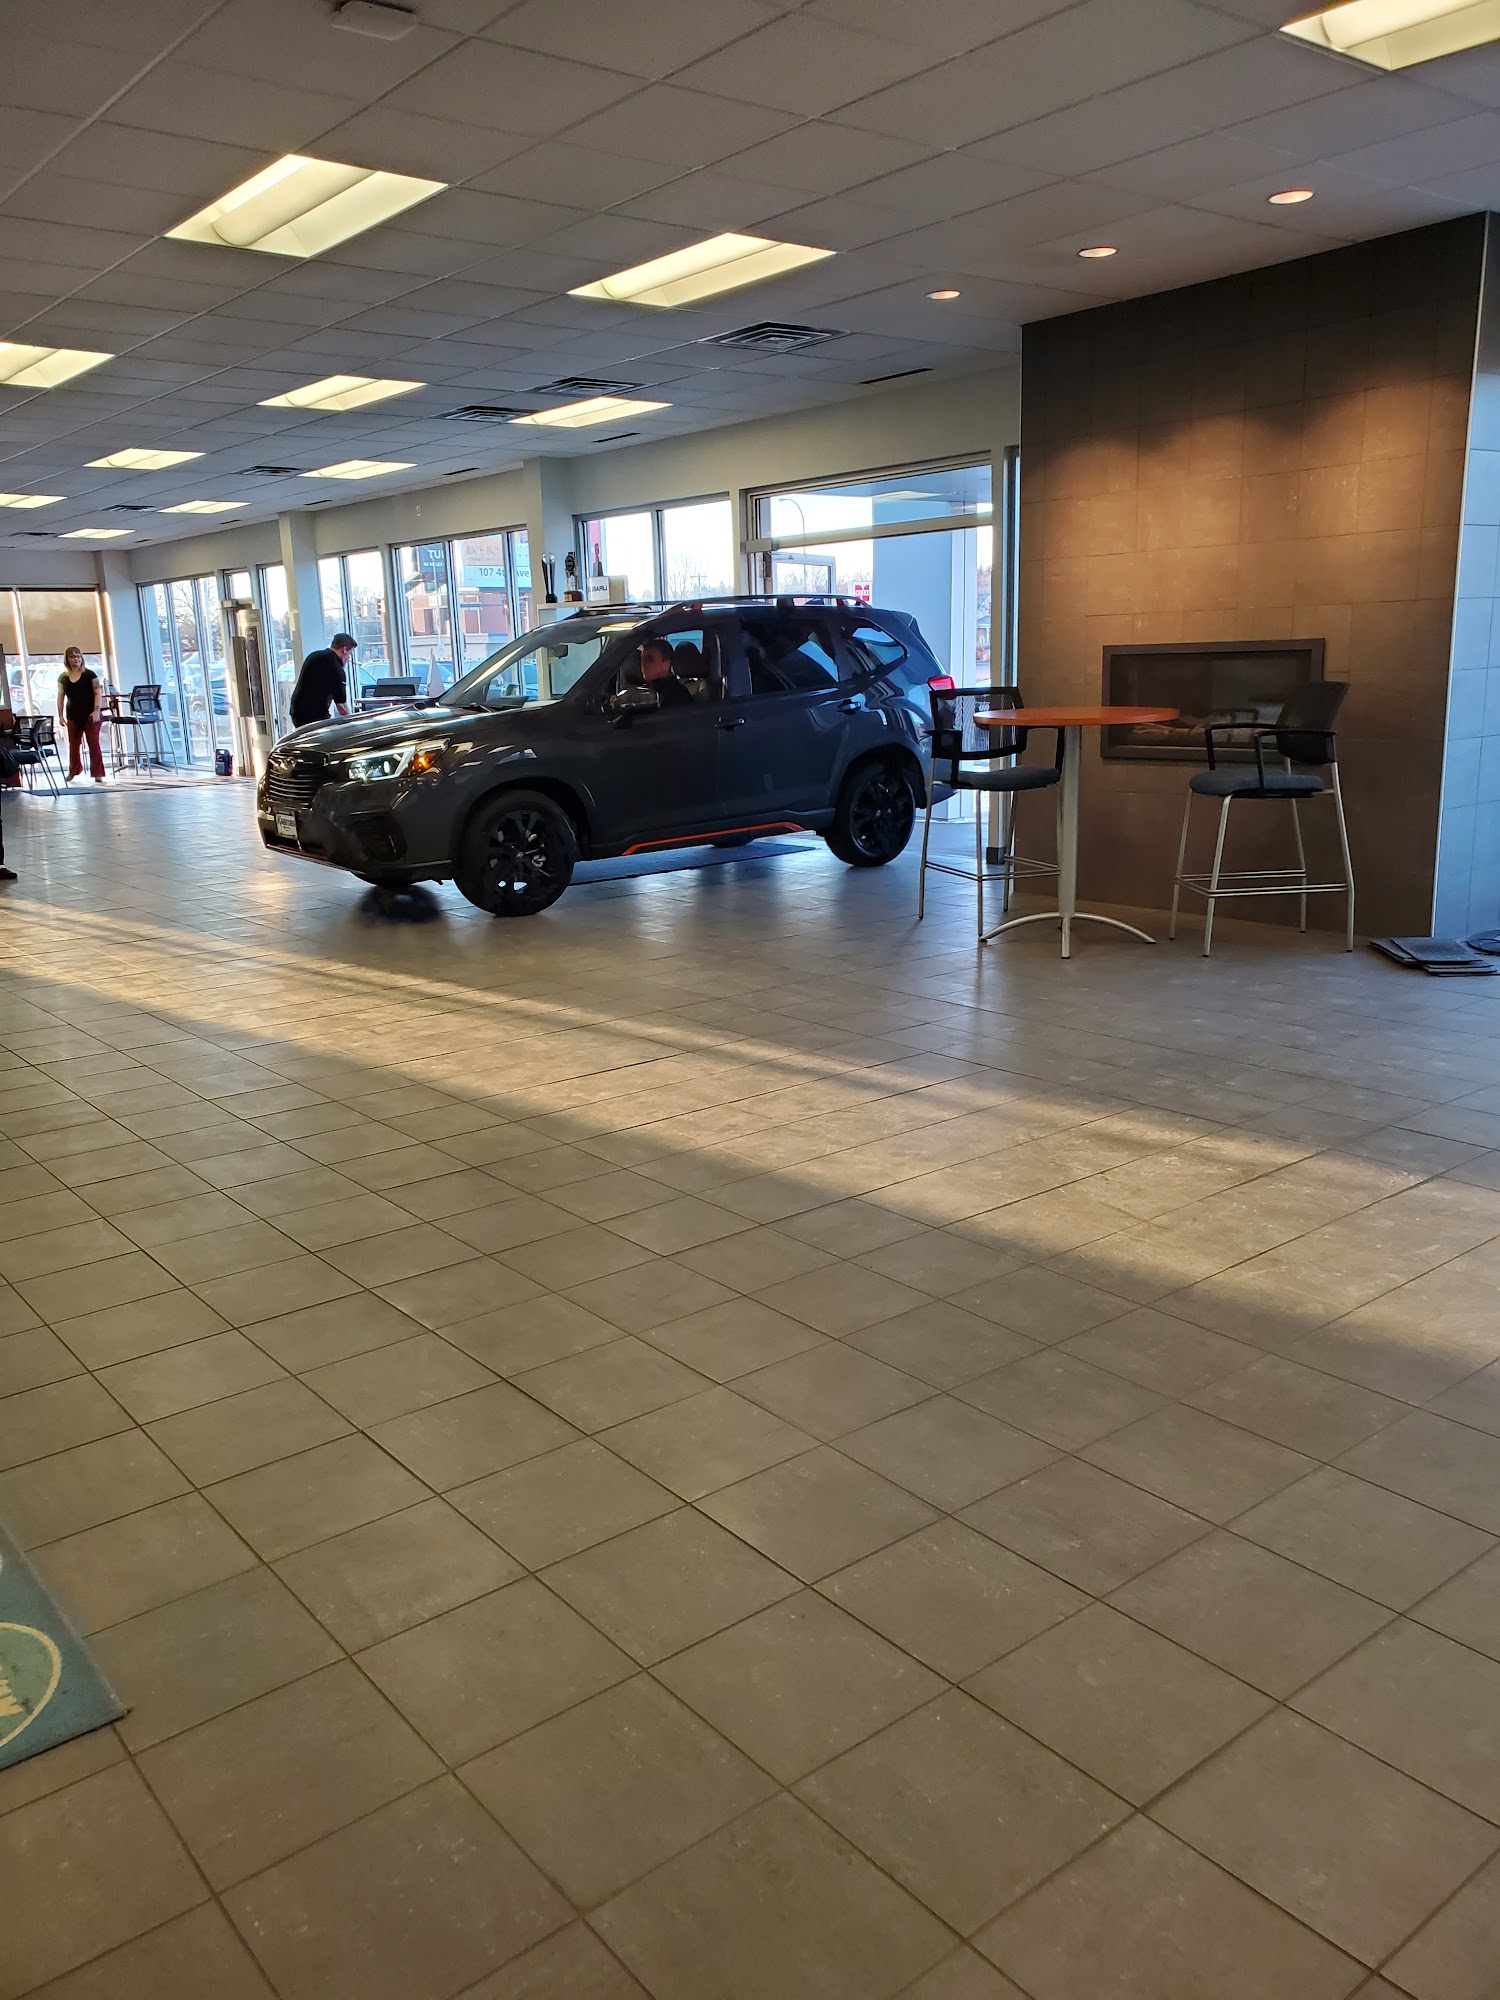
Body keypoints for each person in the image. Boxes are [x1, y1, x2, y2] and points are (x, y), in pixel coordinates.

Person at [58, 646, 105, 783]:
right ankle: (74, 770)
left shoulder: (90, 675)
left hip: (90, 715)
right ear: (67, 659)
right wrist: (60, 715)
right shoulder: (63, 678)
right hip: (73, 715)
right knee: (73, 745)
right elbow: (60, 697)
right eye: (72, 657)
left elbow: (97, 693)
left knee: (93, 744)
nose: (76, 659)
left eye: (78, 656)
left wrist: (96, 711)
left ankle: (97, 773)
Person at [289, 632, 356, 728]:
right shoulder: (336, 668)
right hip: (314, 715)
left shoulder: (315, 656)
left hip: (297, 711)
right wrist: (354, 724)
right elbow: (342, 706)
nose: (348, 658)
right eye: (350, 654)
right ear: (344, 650)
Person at [637, 637, 693, 708]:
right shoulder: (644, 690)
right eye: (641, 660)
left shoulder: (676, 695)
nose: (643, 664)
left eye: (649, 660)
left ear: (666, 664)